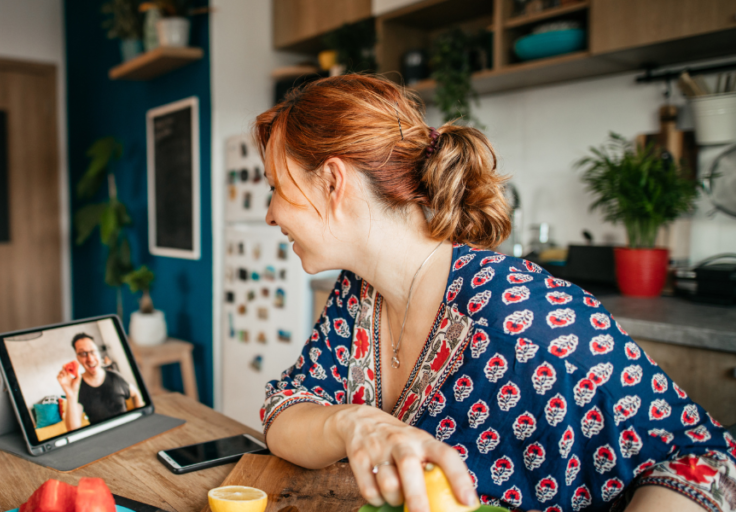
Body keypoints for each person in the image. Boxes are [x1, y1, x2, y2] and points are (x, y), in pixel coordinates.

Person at [257, 74, 736, 512]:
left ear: (333, 182)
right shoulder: (359, 293)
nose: (271, 215)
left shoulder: (529, 324)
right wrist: (351, 422)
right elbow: (287, 410)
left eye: (277, 187)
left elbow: (705, 460)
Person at [57, 333, 143, 431]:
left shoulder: (115, 376)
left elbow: (135, 393)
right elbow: (72, 429)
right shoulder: (77, 385)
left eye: (93, 351)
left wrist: (139, 418)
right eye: (83, 353)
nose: (90, 359)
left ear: (98, 353)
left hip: (128, 430)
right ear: (77, 357)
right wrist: (71, 394)